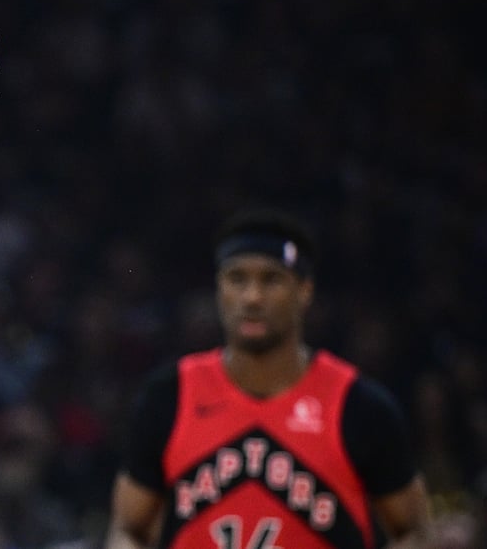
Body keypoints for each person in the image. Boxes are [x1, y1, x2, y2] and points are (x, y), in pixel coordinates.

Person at [105, 209, 433, 549]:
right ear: (219, 289)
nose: (252, 298)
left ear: (304, 291)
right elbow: (127, 528)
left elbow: (413, 530)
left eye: (271, 280)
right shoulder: (168, 396)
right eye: (237, 279)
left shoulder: (359, 405)